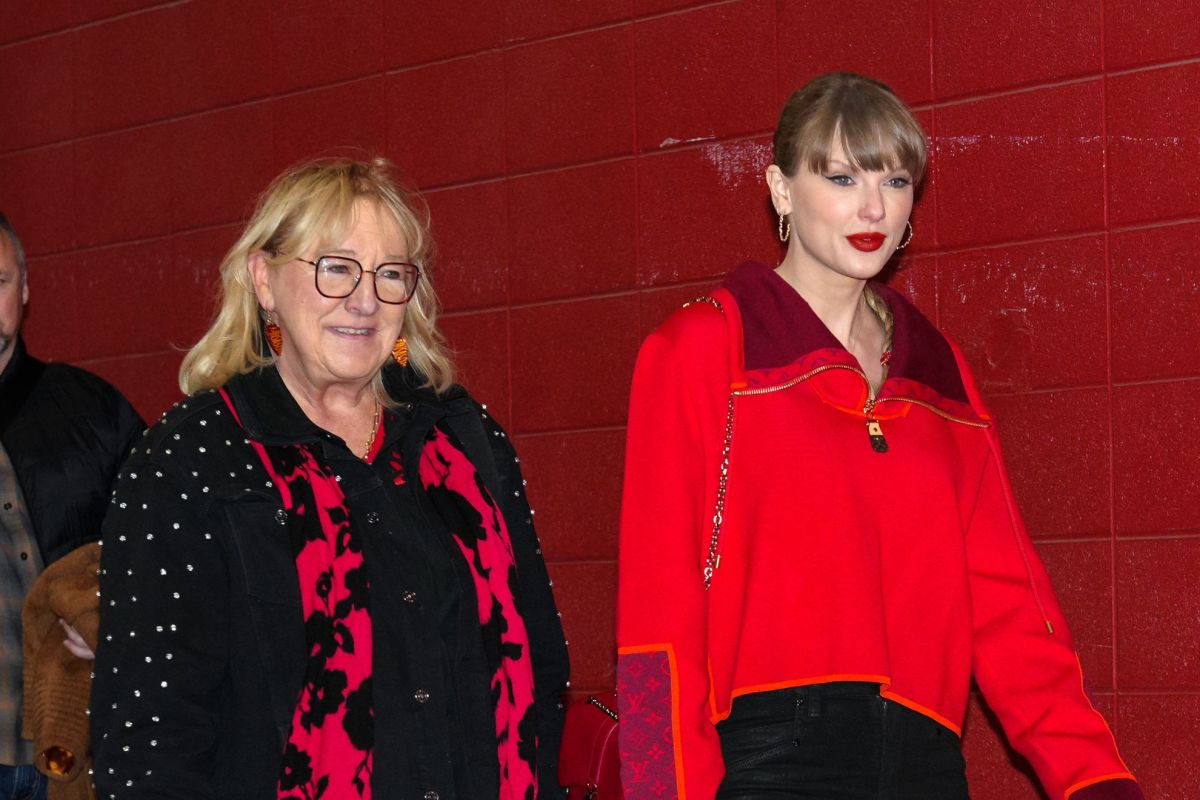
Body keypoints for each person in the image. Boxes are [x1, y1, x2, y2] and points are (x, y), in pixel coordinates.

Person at [616, 73, 1141, 800]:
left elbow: (1008, 600)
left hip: (925, 757)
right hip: (769, 763)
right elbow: (655, 618)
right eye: (840, 176)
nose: (873, 206)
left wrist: (1091, 776)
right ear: (781, 189)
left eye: (894, 179)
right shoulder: (703, 349)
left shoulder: (937, 369)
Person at [90, 158, 569, 799]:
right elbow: (149, 748)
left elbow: (539, 664)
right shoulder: (189, 463)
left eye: (390, 274)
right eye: (336, 268)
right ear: (264, 280)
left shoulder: (462, 436)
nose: (365, 300)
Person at [0, 213, 143, 800]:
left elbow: (167, 544)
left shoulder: (91, 411)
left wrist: (114, 615)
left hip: (77, 744)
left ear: (25, 290)